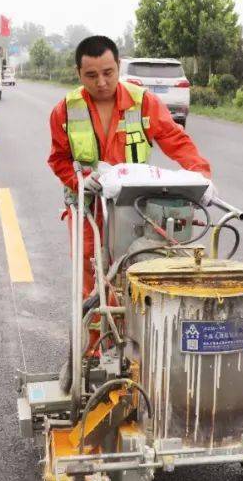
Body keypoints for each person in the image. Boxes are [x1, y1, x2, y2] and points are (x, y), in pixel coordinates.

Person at [47, 35, 213, 298]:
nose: (101, 82)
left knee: (134, 275)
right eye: (91, 75)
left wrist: (201, 176)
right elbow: (59, 160)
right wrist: (80, 181)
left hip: (133, 209)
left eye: (108, 73)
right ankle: (94, 338)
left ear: (119, 66)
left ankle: (129, 337)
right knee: (93, 282)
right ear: (78, 73)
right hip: (90, 210)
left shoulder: (143, 102)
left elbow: (176, 140)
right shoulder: (65, 110)